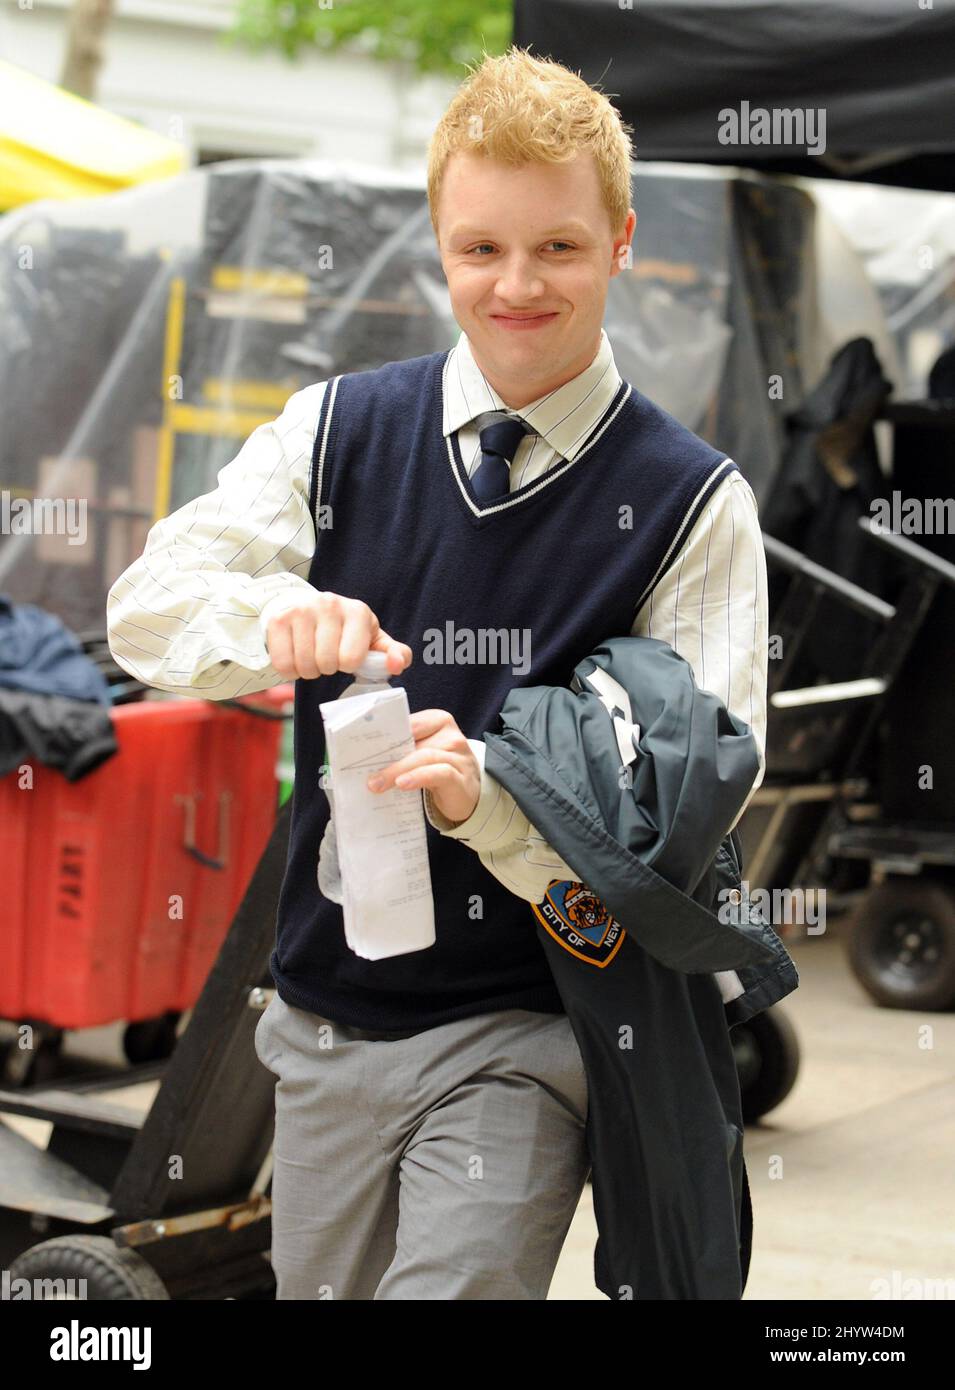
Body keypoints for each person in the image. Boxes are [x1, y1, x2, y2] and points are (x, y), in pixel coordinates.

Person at [107, 45, 768, 1300]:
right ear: (438, 241)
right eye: (480, 249)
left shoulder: (692, 504)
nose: (516, 285)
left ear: (621, 240)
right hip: (323, 1019)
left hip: (527, 1024)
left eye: (559, 248)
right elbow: (145, 609)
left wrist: (495, 804)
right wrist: (276, 615)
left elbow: (697, 798)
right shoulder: (334, 427)